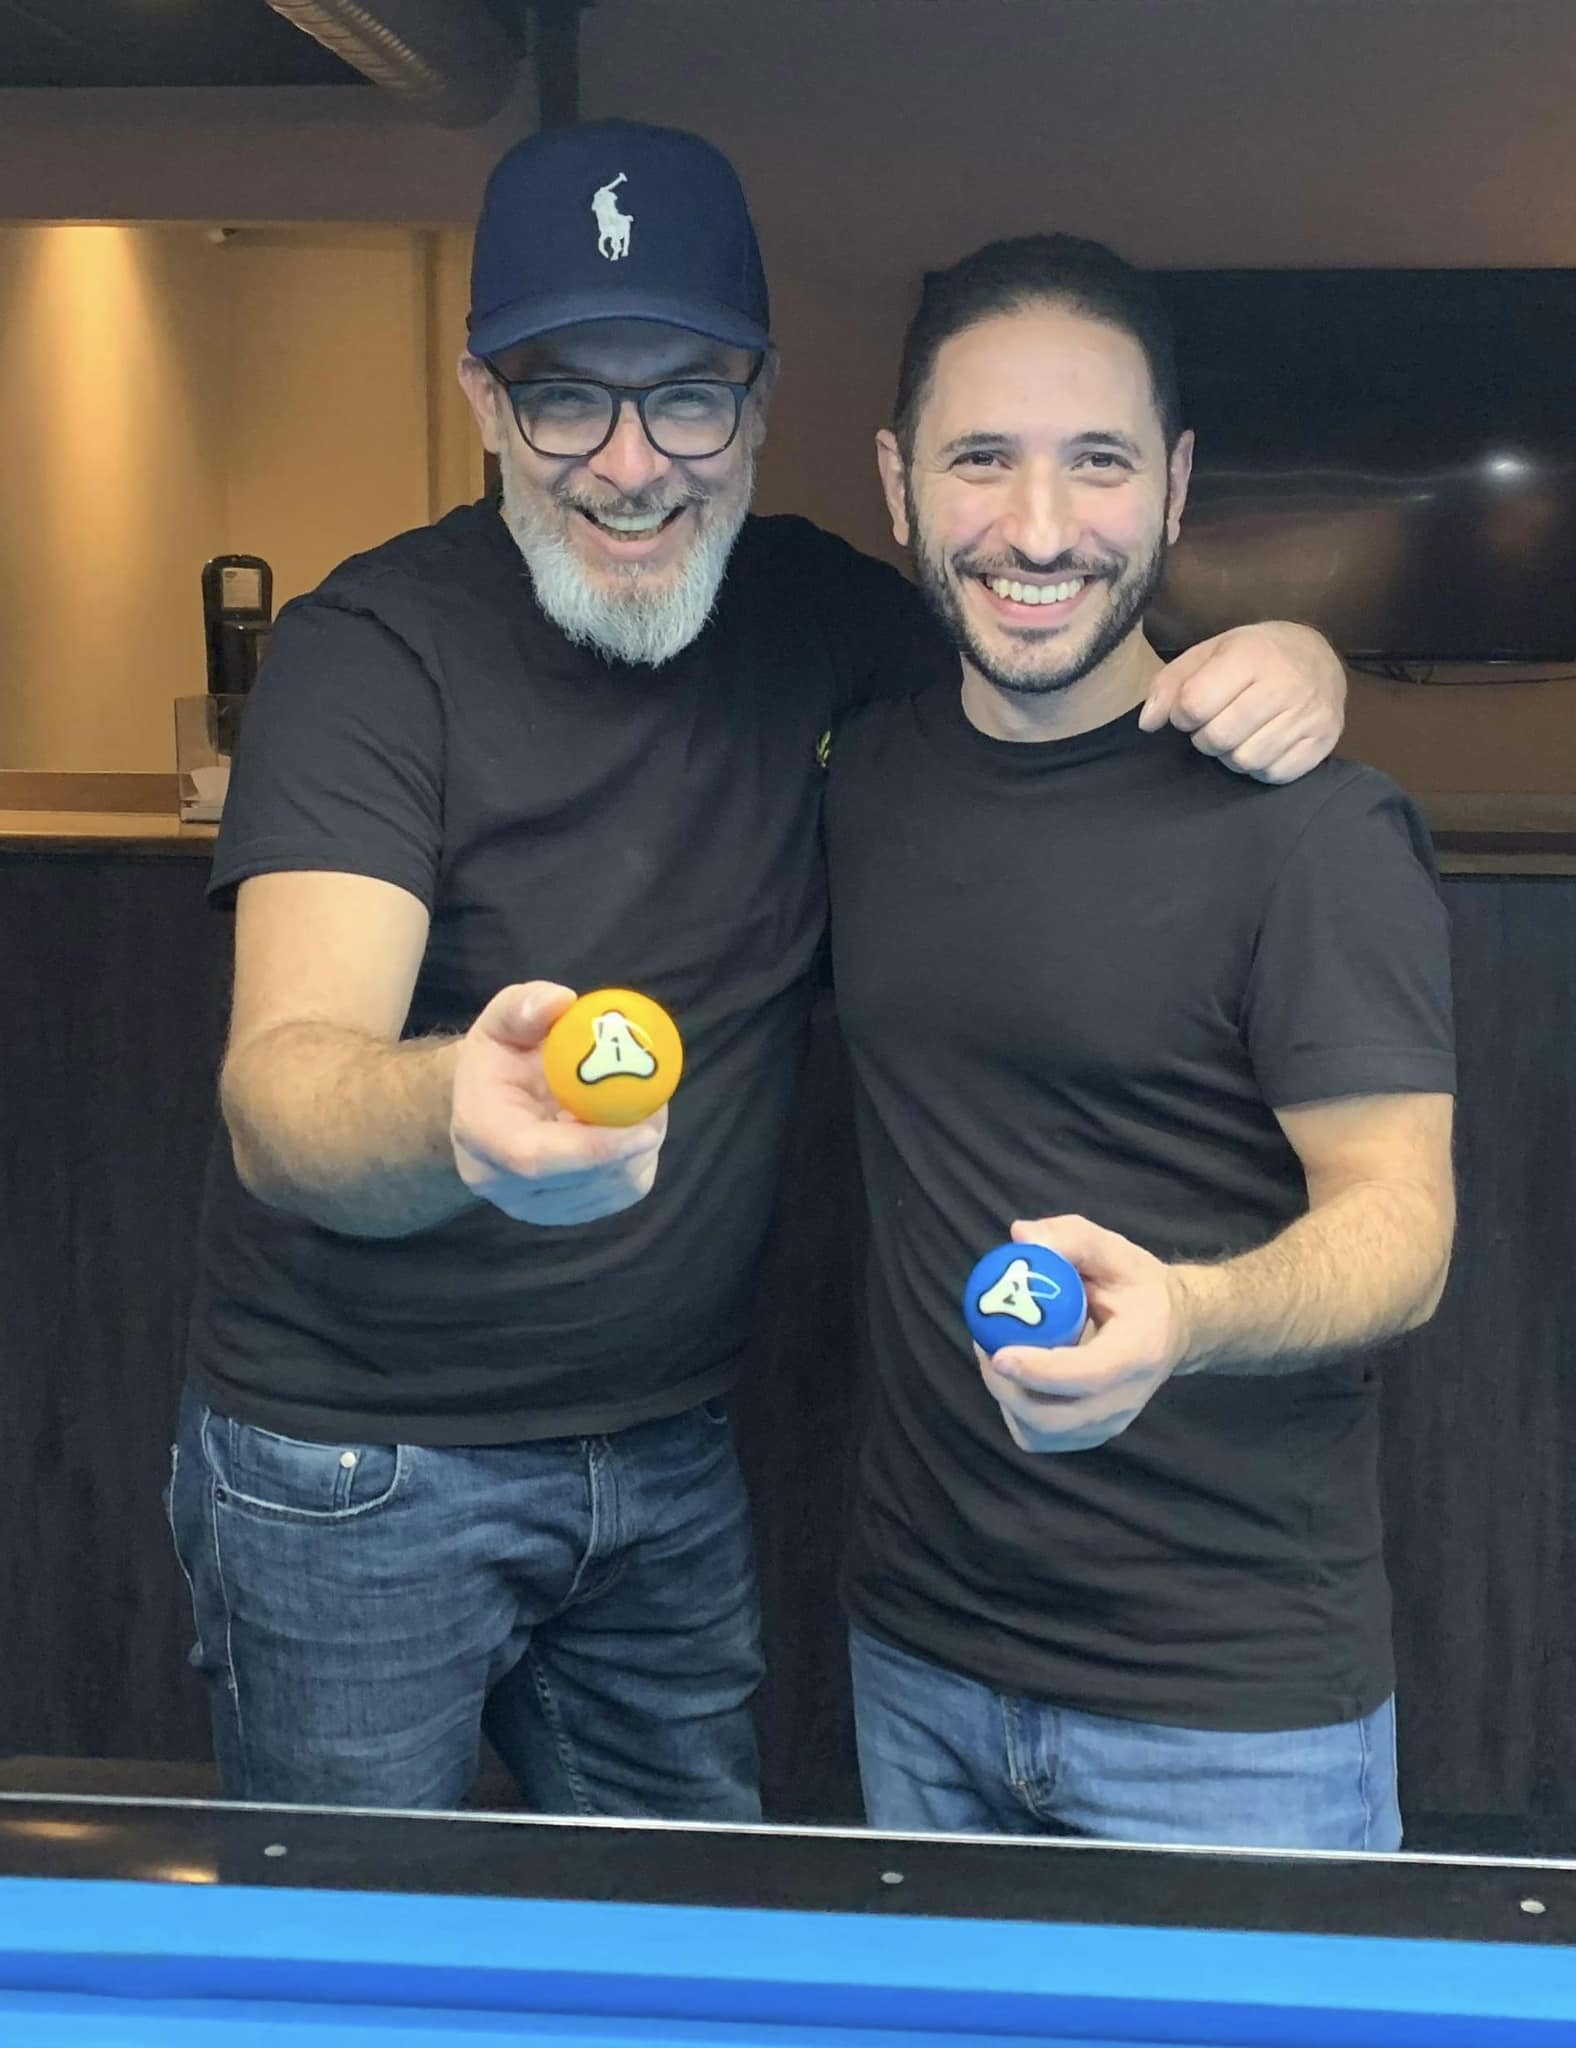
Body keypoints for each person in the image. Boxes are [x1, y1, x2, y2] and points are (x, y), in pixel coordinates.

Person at [168, 123, 1349, 1821]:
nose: (631, 464)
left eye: (688, 398)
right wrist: (456, 1115)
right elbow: (284, 1092)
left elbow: (1062, 647)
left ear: (762, 402)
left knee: (679, 1936)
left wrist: (1289, 657)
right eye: (565, 398)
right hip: (354, 1465)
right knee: (352, 1944)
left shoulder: (827, 619)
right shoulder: (369, 652)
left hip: (668, 1450)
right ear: (484, 401)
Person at [826, 234, 1456, 1851]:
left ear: (1174, 486)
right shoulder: (861, 778)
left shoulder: (1311, 828)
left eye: (1096, 461)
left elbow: (1403, 1228)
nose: (1039, 529)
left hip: (1230, 1712)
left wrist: (1187, 1314)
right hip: (918, 1659)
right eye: (982, 458)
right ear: (897, 486)